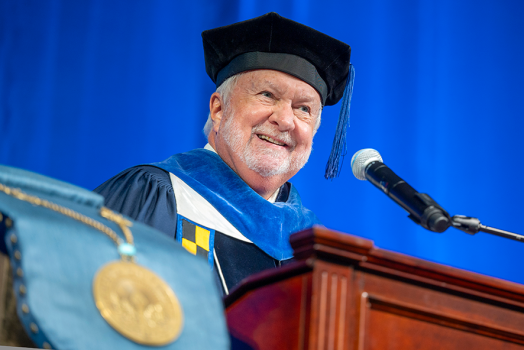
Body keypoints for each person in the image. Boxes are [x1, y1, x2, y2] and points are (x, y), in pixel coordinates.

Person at [94, 12, 354, 295]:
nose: (286, 120)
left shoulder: (314, 245)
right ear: (218, 109)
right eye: (267, 95)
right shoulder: (157, 196)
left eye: (303, 109)